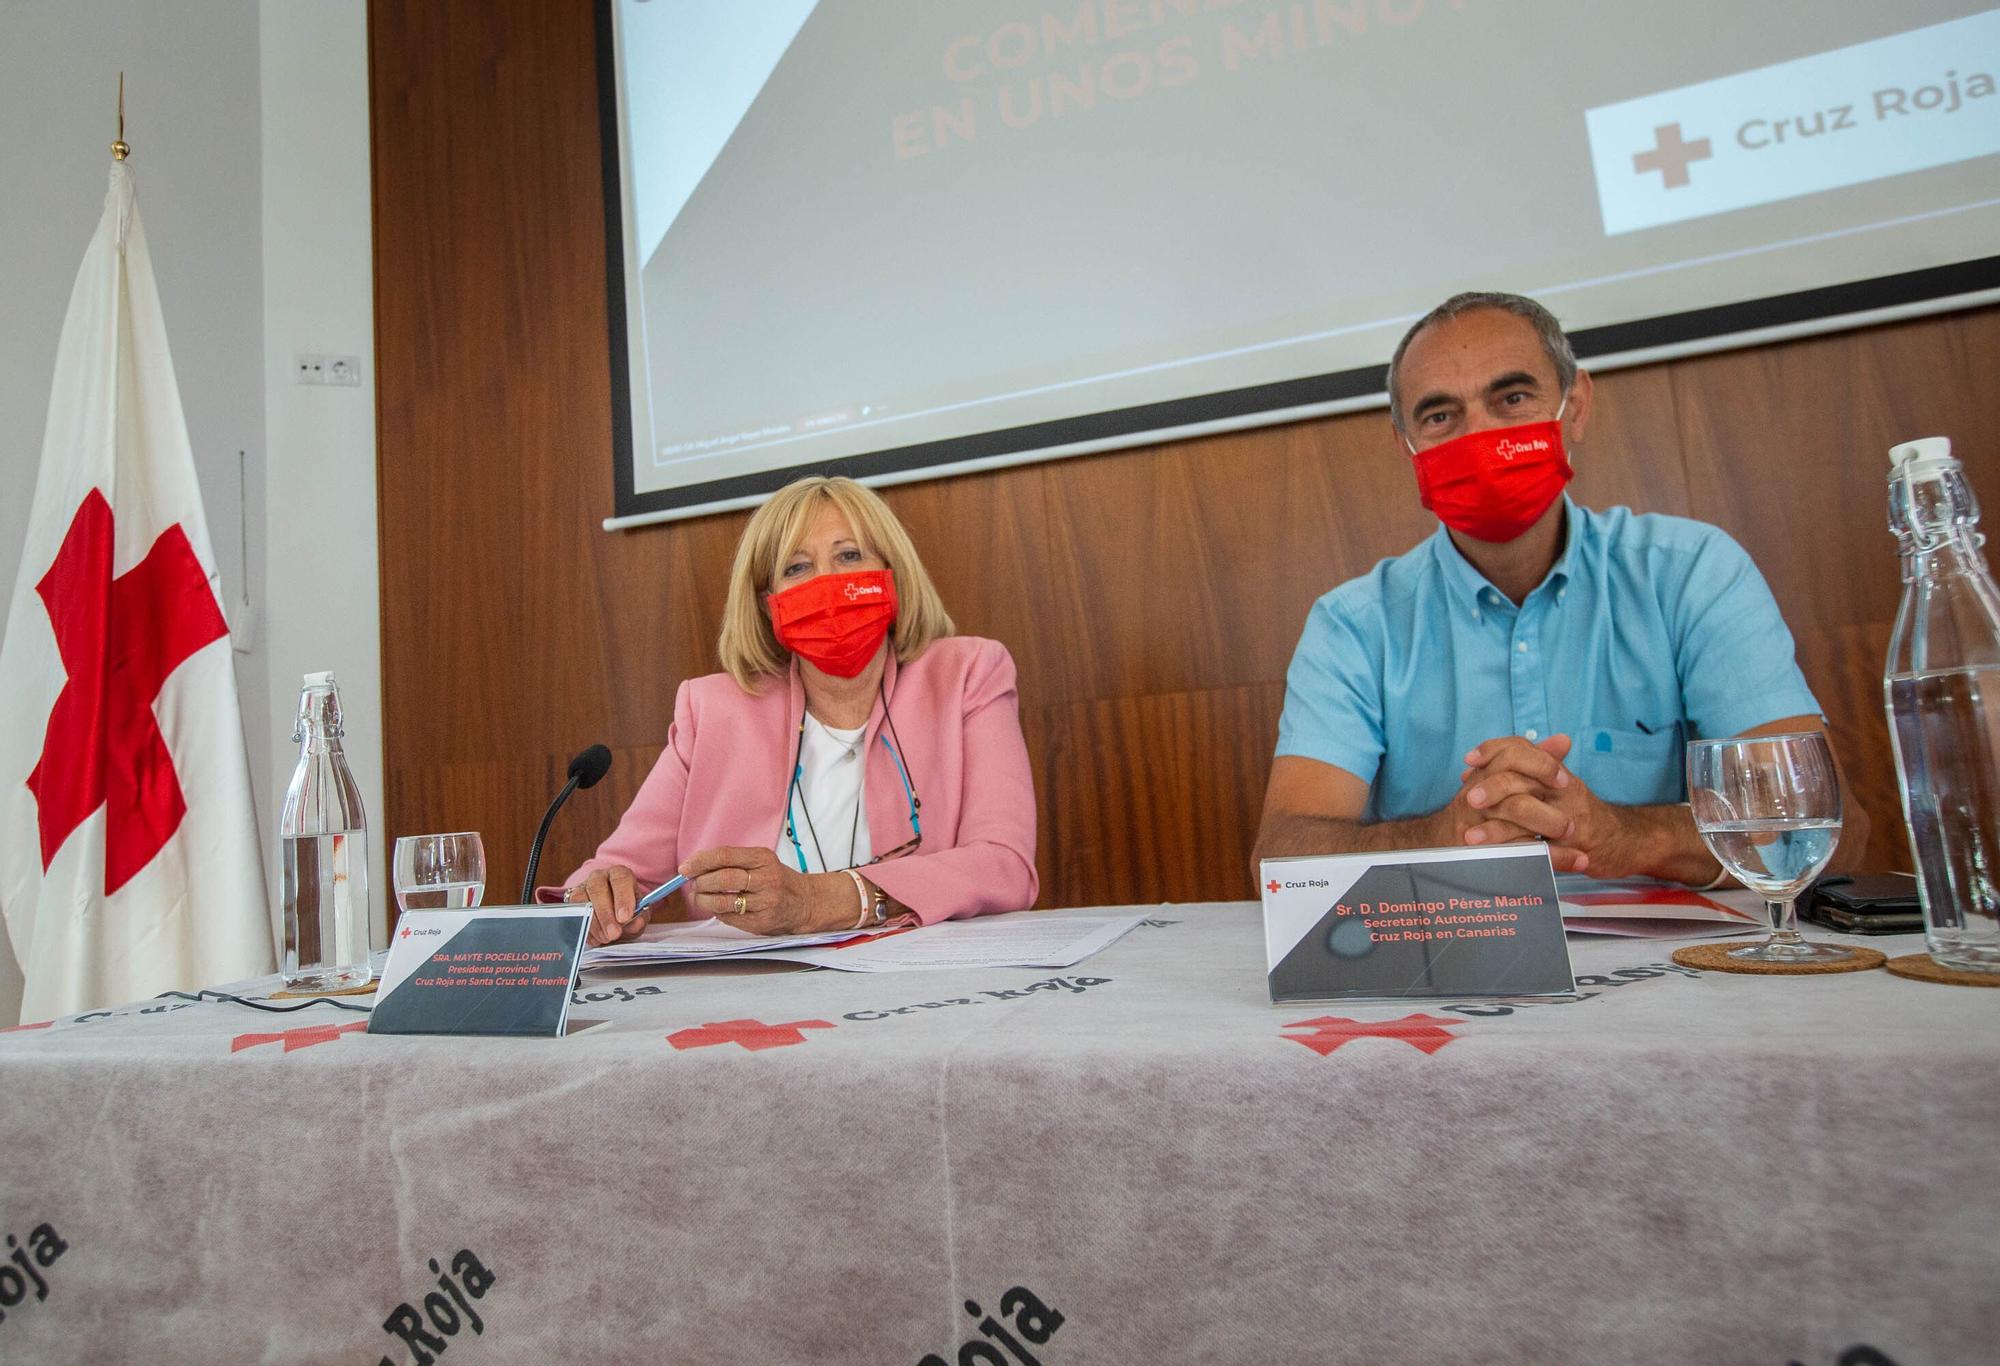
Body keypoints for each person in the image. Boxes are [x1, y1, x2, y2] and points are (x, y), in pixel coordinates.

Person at [1253, 291, 1867, 884]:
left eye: (1512, 398)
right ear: (1408, 448)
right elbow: (1280, 860)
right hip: (1446, 968)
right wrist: (1444, 835)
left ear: (1574, 408)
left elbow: (1825, 830)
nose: (1479, 437)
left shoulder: (1691, 573)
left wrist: (1627, 837)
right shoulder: (1354, 626)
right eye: (1441, 416)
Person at [552, 476, 1038, 944]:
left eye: (849, 556)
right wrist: (598, 897)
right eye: (797, 568)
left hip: (923, 987)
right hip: (757, 997)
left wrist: (819, 901)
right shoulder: (713, 710)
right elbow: (620, 871)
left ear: (892, 574)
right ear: (769, 603)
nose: (827, 582)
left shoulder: (967, 674)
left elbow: (1004, 866)